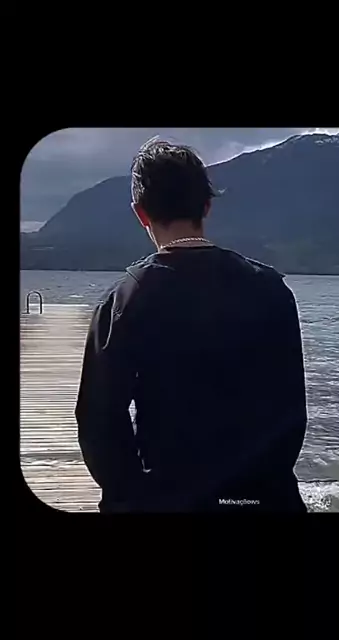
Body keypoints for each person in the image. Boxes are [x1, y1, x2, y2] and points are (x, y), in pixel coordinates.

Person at [75, 137, 308, 513]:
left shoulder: (124, 302)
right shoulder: (271, 290)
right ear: (206, 206)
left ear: (141, 213)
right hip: (264, 499)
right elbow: (292, 412)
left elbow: (98, 421)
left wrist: (130, 496)